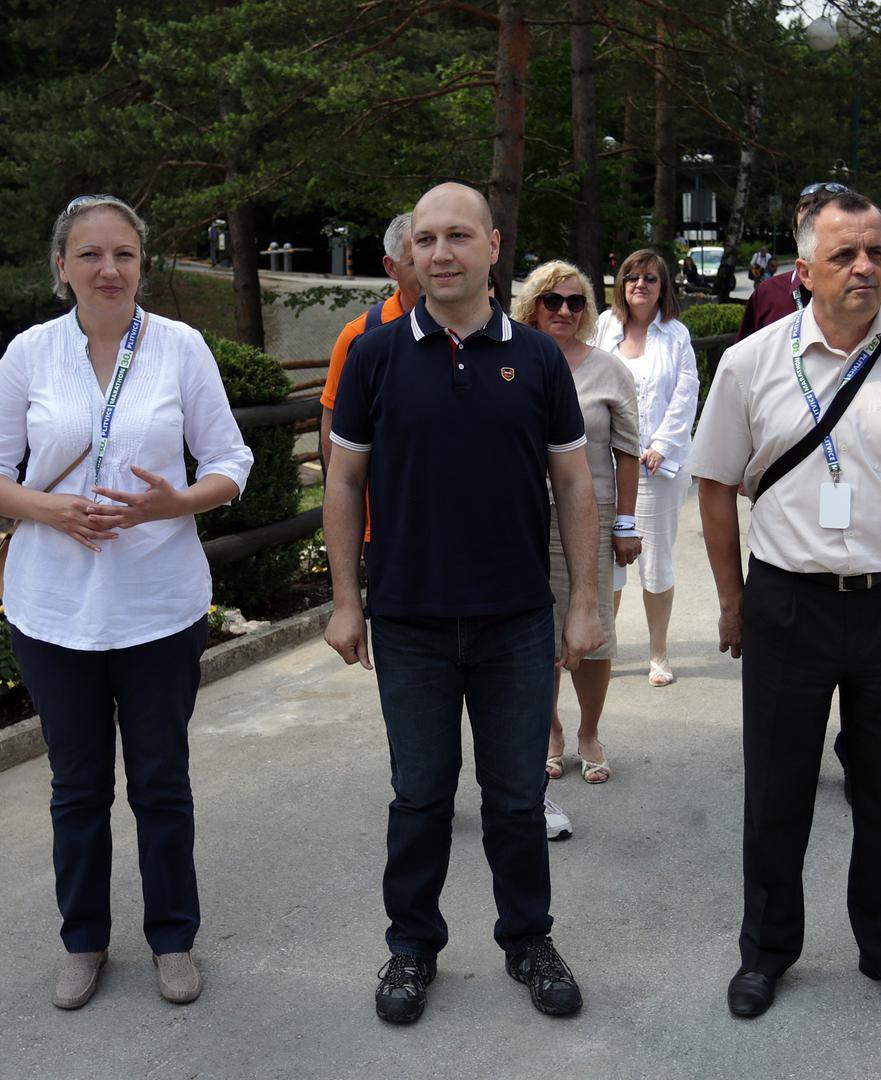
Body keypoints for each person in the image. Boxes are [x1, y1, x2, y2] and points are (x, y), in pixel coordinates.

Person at [691, 190, 881, 1022]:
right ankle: (765, 953)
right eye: (843, 254)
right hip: (786, 603)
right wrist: (731, 601)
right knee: (776, 794)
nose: (864, 267)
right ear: (803, 270)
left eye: (875, 252)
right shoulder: (751, 362)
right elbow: (714, 486)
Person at [0, 195, 254, 1010]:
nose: (109, 269)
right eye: (90, 254)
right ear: (62, 267)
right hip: (53, 611)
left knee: (161, 783)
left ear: (141, 263)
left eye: (123, 253)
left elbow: (231, 459)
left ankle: (173, 939)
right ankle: (83, 939)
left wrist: (177, 502)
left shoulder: (181, 347)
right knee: (77, 788)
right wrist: (46, 508)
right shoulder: (30, 353)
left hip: (158, 606)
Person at [322, 182, 603, 1024]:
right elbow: (343, 480)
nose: (440, 253)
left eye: (458, 236)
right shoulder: (373, 355)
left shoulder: (539, 358)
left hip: (515, 618)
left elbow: (573, 484)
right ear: (408, 254)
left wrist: (583, 601)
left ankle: (528, 940)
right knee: (420, 798)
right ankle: (412, 947)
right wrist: (345, 601)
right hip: (407, 618)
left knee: (515, 798)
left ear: (492, 246)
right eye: (426, 239)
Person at [511, 261, 643, 786]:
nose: (564, 310)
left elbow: (627, 452)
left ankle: (589, 731)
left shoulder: (609, 370)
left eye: (575, 301)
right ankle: (551, 732)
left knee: (594, 633)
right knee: (534, 633)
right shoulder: (512, 361)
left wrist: (626, 523)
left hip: (592, 513)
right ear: (533, 305)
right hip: (522, 516)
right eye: (553, 300)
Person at [592, 249, 699, 687]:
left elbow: (686, 393)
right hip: (606, 463)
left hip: (654, 469)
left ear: (662, 287)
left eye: (650, 278)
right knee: (607, 564)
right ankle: (605, 649)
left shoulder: (675, 335)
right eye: (632, 277)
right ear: (621, 283)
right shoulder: (603, 326)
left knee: (655, 563)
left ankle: (658, 654)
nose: (640, 284)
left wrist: (661, 445)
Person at [735, 183, 881, 342]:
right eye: (805, 230)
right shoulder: (768, 295)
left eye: (874, 252)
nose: (864, 267)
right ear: (795, 234)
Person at [320, 212, 420, 476]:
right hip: (378, 502)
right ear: (391, 267)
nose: (429, 268)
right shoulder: (359, 335)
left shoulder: (467, 331)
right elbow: (333, 431)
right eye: (414, 261)